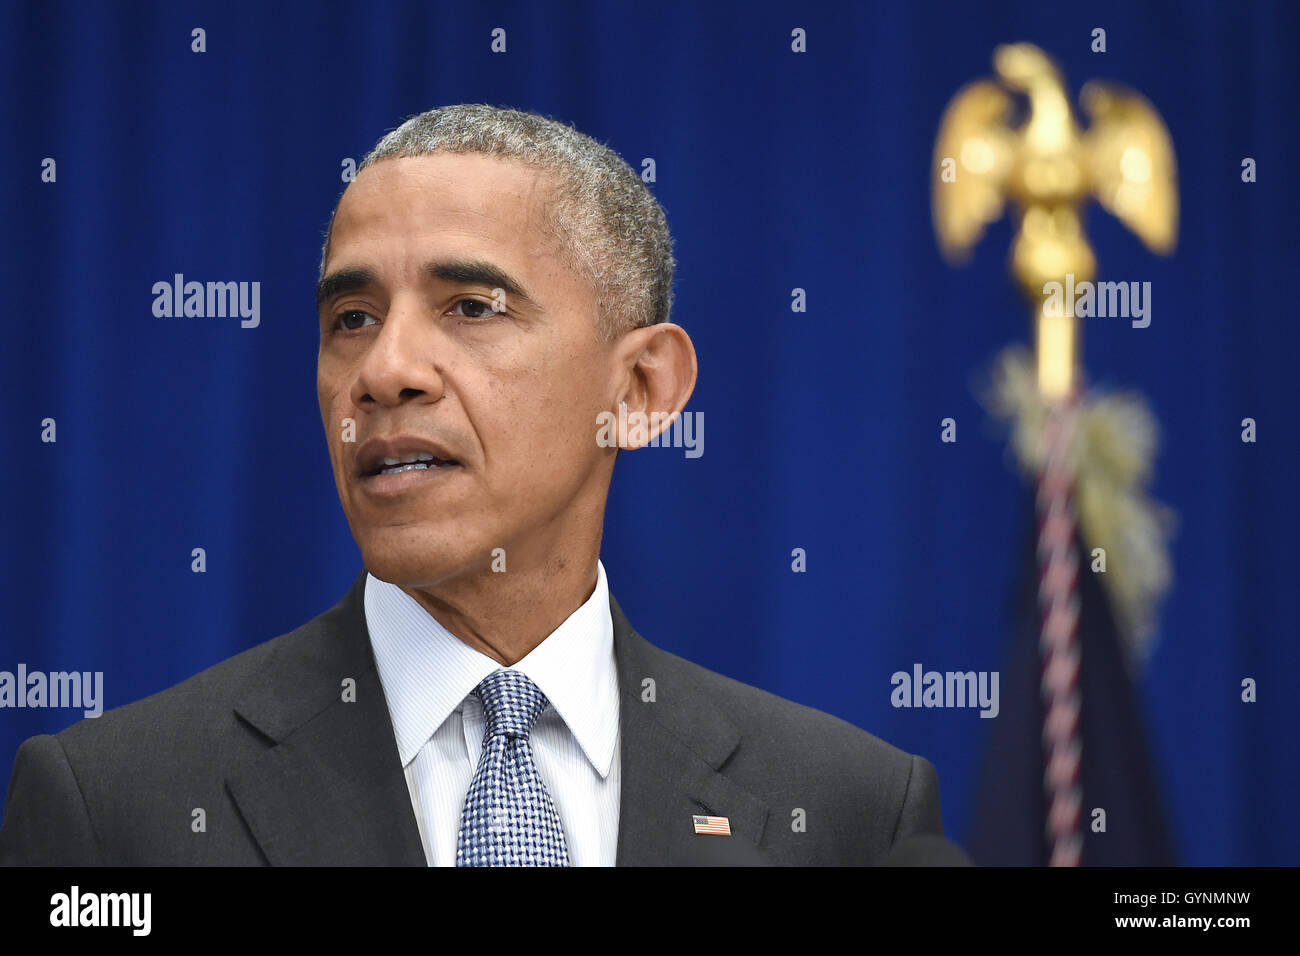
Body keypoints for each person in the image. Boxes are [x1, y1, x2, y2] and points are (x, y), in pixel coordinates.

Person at [0, 104, 943, 866]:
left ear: (641, 389)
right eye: (353, 316)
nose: (386, 369)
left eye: (473, 308)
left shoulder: (849, 812)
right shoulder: (113, 808)